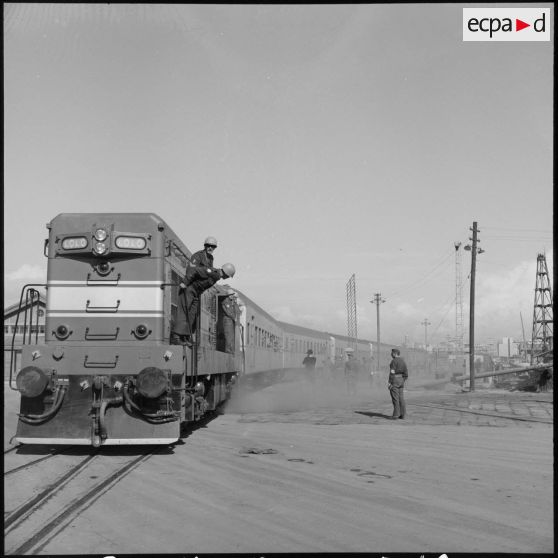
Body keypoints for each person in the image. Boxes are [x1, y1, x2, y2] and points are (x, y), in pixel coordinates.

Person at [171, 262, 236, 345]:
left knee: (192, 314)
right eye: (228, 276)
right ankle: (176, 337)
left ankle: (184, 337)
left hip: (195, 293)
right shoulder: (212, 272)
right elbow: (195, 270)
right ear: (226, 274)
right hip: (189, 289)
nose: (227, 278)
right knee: (185, 311)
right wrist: (185, 282)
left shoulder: (217, 277)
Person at [388, 348, 408, 419]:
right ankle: (403, 414)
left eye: (392, 353)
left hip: (395, 380)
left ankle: (396, 414)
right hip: (401, 380)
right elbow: (406, 373)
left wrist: (390, 382)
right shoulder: (403, 361)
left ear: (395, 353)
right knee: (401, 398)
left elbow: (392, 372)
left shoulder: (394, 361)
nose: (391, 354)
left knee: (395, 398)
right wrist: (403, 380)